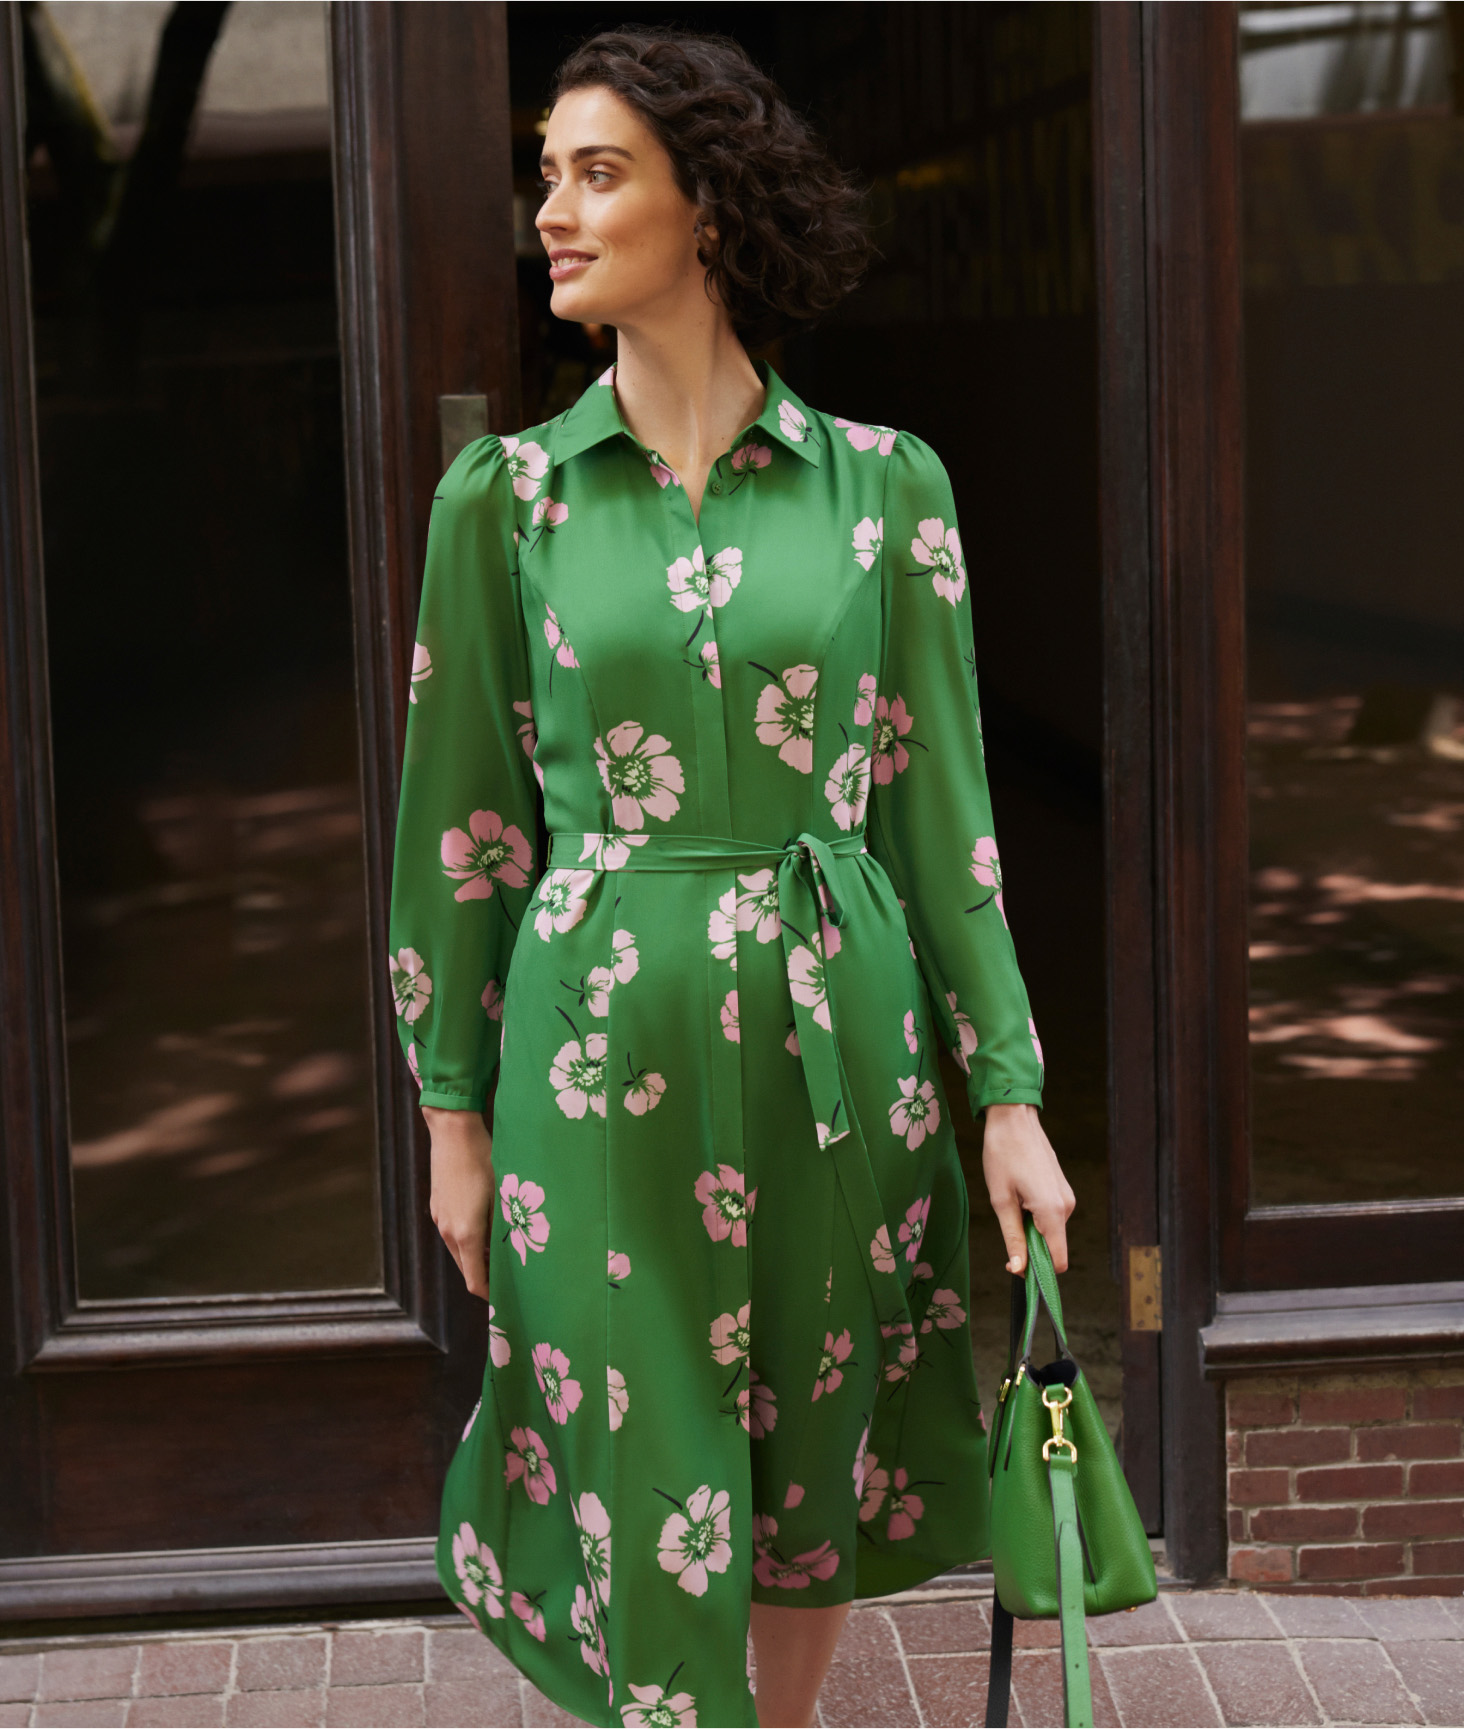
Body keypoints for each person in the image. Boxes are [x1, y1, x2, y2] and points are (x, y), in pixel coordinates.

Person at [386, 25, 1075, 1729]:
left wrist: (1007, 1091)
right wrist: (450, 1115)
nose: (551, 207)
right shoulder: (510, 502)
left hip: (840, 1062)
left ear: (710, 208)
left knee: (800, 1481)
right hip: (592, 1064)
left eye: (596, 170)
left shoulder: (881, 493)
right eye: (545, 172)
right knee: (637, 1463)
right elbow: (460, 826)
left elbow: (943, 814)